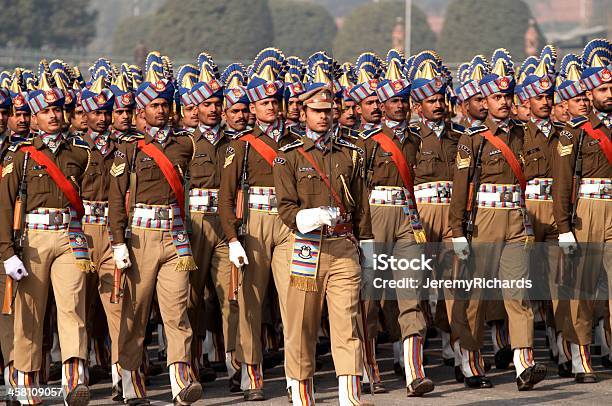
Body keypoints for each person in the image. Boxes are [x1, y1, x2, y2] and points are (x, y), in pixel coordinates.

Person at [449, 49, 547, 390]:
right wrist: (456, 230)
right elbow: (461, 189)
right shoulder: (472, 139)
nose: (503, 102)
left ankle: (524, 365)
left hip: (517, 219)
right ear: (484, 102)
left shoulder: (524, 134)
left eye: (507, 96)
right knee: (476, 297)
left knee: (518, 295)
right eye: (496, 97)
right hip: (484, 221)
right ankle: (472, 362)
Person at [108, 51, 202, 405]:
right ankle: (131, 383)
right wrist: (118, 242)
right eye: (153, 105)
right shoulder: (129, 150)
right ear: (141, 112)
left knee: (177, 310)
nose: (160, 110)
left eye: (165, 104)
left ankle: (181, 380)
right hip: (141, 237)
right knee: (135, 314)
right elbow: (117, 198)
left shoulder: (185, 143)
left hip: (177, 235)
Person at [274, 74, 373, 405]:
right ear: (303, 113)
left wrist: (368, 246)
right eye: (317, 110)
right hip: (305, 246)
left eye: (329, 110)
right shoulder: (288, 155)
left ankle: (350, 398)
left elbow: (361, 204)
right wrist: (309, 217)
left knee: (347, 323)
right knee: (301, 326)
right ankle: (303, 397)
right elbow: (286, 208)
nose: (324, 116)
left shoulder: (350, 153)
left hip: (343, 248)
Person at [0, 66, 93, 405]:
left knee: (72, 307)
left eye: (57, 110)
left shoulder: (80, 152)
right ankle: (26, 385)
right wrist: (7, 252)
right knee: (29, 315)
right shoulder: (21, 156)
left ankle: (73, 380)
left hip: (69, 237)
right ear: (34, 118)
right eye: (45, 111)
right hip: (32, 242)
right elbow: (4, 207)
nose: (53, 116)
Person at [552, 38, 612, 383]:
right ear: (589, 94)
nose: (609, 93)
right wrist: (563, 227)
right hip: (586, 212)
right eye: (603, 88)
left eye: (611, 86)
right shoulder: (575, 133)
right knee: (583, 290)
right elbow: (562, 182)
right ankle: (581, 357)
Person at [185, 53, 240, 390]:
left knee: (231, 296)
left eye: (218, 102)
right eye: (207, 103)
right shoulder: (185, 143)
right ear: (195, 107)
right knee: (190, 297)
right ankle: (191, 364)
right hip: (194, 223)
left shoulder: (235, 142)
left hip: (226, 225)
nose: (214, 109)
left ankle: (238, 368)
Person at [79, 67, 126, 399]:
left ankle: (120, 376)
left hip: (112, 231)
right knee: (77, 305)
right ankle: (76, 374)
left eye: (106, 112)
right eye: (96, 111)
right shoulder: (74, 149)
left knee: (118, 304)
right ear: (84, 113)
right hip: (80, 230)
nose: (103, 118)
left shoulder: (123, 148)